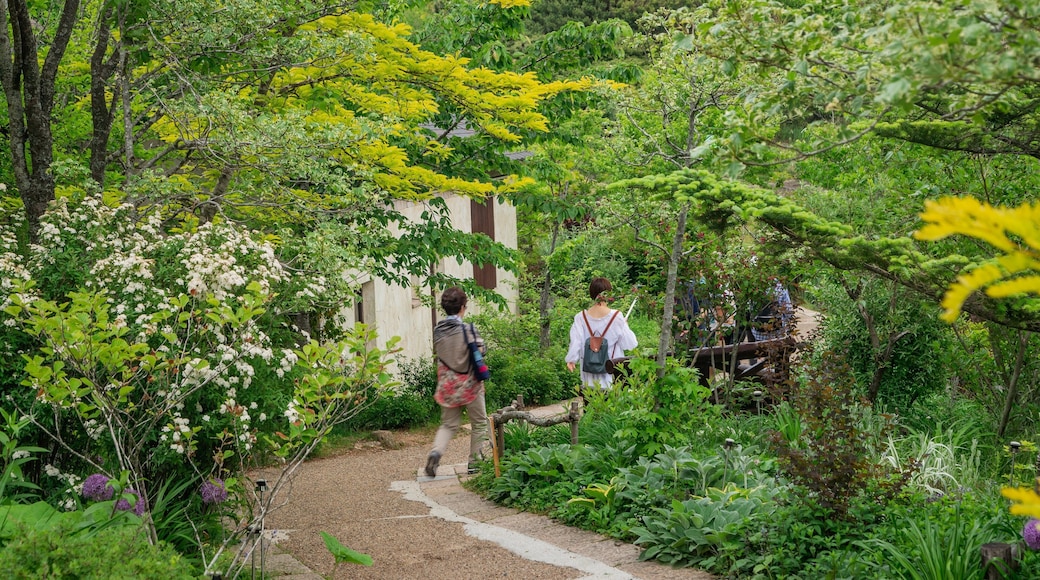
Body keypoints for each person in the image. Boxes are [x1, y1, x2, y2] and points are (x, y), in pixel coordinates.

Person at [424, 287, 488, 477]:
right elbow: (481, 351)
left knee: (448, 425)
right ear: (462, 308)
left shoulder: (438, 331)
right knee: (479, 423)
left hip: (448, 385)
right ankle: (475, 463)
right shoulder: (468, 330)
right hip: (470, 385)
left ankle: (436, 453)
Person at [565, 277, 638, 391]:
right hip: (611, 373)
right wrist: (625, 325)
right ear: (608, 294)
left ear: (592, 293)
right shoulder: (616, 317)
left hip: (589, 373)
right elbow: (630, 344)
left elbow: (576, 342)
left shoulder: (580, 317)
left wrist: (571, 360)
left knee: (590, 398)